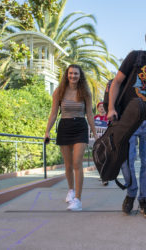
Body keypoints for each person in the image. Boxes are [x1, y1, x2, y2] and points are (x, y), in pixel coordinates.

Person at [107, 27, 146, 219]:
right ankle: (131, 192)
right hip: (127, 119)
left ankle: (144, 200)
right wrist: (111, 108)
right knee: (126, 161)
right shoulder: (135, 57)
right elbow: (117, 82)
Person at [44, 64, 97, 211]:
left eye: (76, 74)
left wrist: (95, 134)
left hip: (80, 127)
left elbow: (90, 115)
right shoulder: (59, 92)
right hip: (64, 127)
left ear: (80, 76)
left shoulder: (85, 92)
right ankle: (71, 190)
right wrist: (47, 131)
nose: (73, 76)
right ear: (67, 75)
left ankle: (78, 200)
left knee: (77, 163)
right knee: (67, 165)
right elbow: (54, 113)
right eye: (71, 73)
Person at [94, 101, 109, 186]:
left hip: (107, 141)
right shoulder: (95, 117)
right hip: (98, 141)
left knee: (106, 157)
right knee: (99, 158)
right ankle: (103, 175)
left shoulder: (109, 117)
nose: (101, 108)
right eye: (100, 107)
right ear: (97, 108)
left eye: (103, 106)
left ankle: (105, 177)